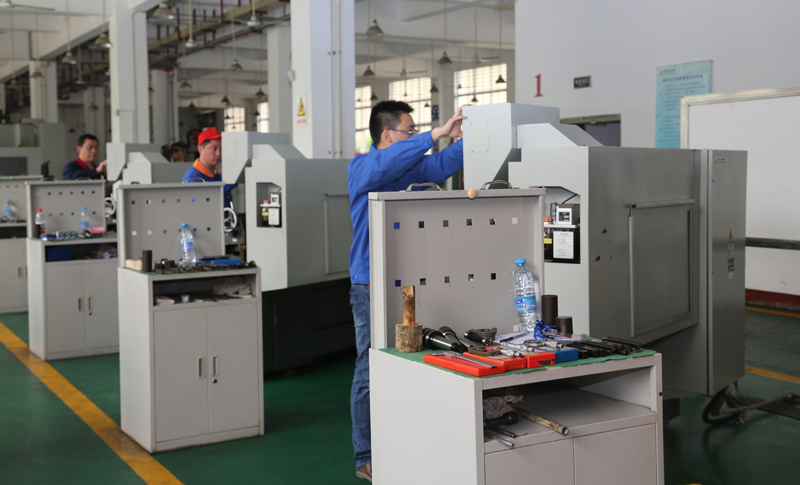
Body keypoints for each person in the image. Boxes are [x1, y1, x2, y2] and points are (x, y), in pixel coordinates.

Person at [347, 101, 468, 482]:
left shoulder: (407, 169)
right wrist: (435, 134)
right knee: (369, 369)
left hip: (408, 281)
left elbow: (442, 164)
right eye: (409, 131)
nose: (415, 136)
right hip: (370, 284)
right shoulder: (362, 168)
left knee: (411, 361)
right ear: (387, 134)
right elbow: (385, 165)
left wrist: (469, 138)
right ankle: (366, 456)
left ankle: (405, 442)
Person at [182, 127, 236, 203]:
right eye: (214, 149)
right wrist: (229, 184)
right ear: (200, 149)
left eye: (221, 149)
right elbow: (201, 203)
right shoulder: (193, 178)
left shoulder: (216, 174)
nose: (218, 153)